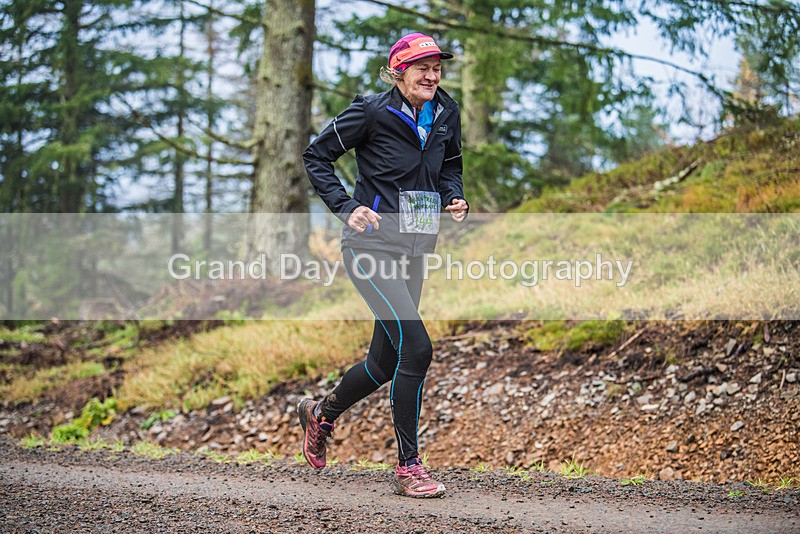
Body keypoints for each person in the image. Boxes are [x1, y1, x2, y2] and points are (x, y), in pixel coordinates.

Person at [300, 32, 468, 499]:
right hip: (369, 247)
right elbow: (317, 156)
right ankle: (409, 466)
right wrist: (343, 205)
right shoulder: (371, 111)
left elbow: (450, 165)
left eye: (437, 68)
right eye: (422, 69)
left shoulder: (446, 113)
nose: (432, 76)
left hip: (416, 249)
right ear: (398, 72)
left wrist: (453, 194)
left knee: (383, 361)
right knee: (417, 348)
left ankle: (321, 414)